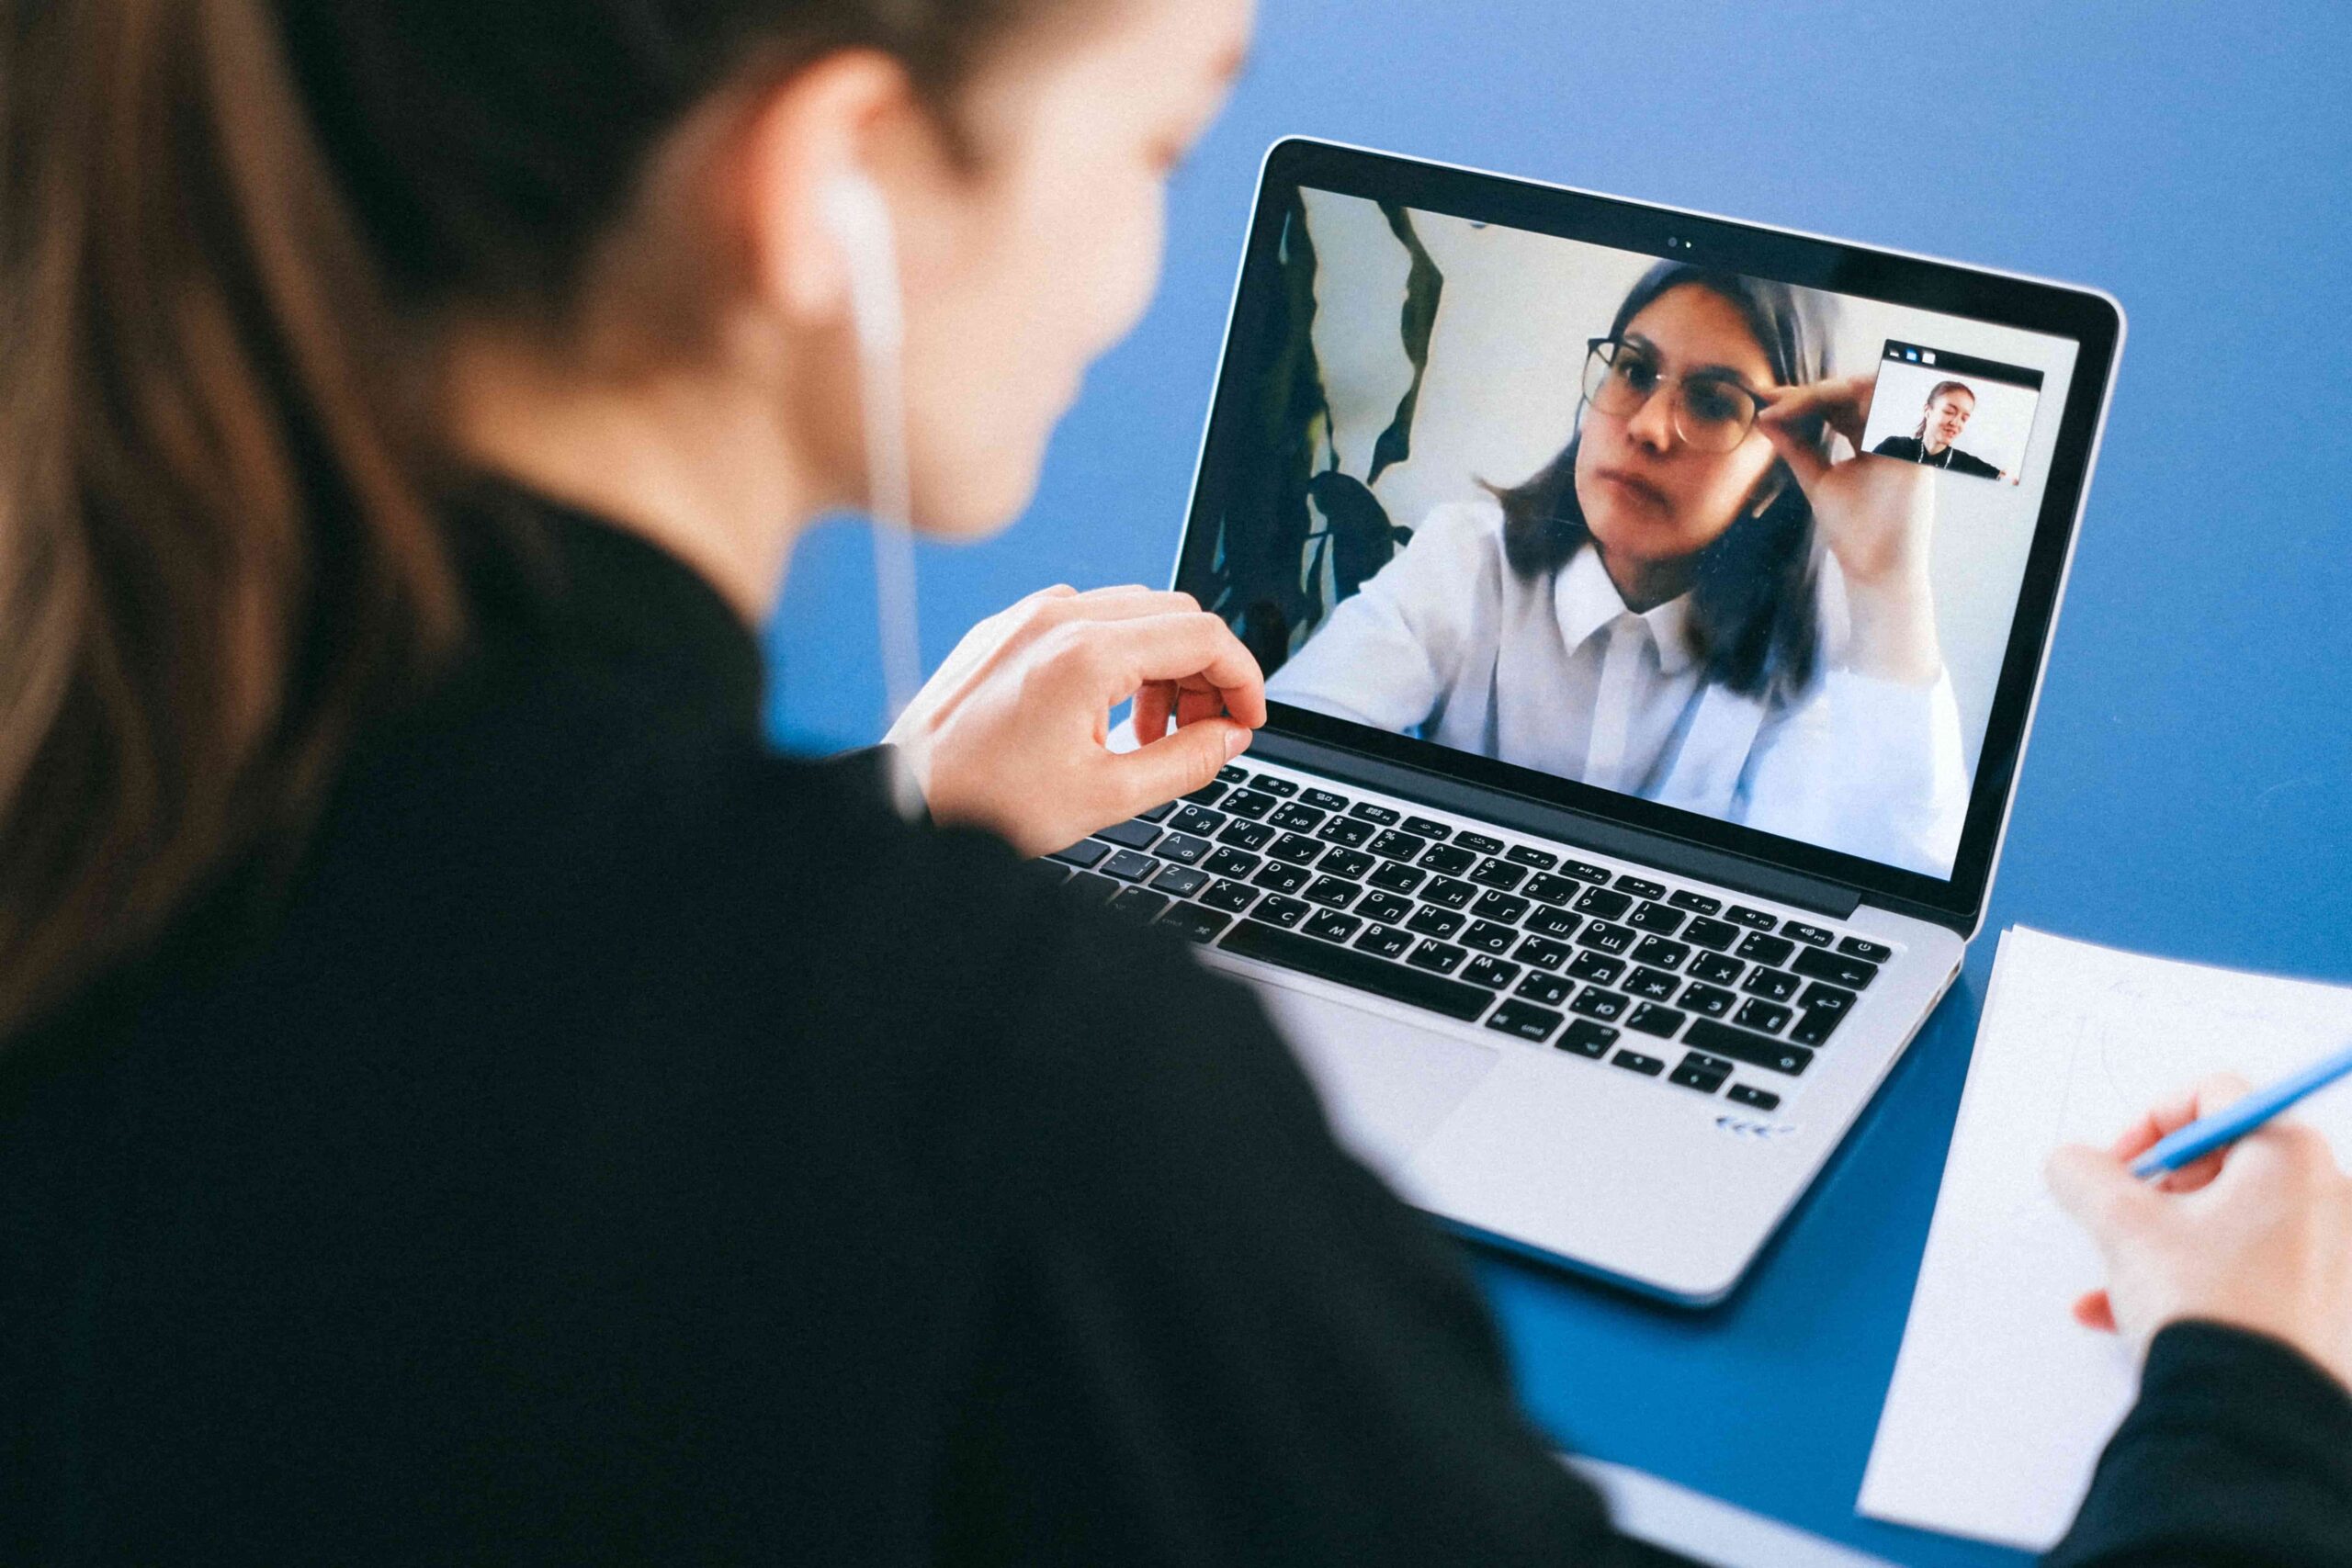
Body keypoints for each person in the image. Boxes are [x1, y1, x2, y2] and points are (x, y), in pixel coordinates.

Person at [0, 2, 2345, 1563]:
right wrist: (2254, 1387)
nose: (1144, 252)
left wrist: (874, 836)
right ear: (832, 190)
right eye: (1151, 142)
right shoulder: (1040, 1101)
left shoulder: (111, 751)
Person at [1266, 265, 1973, 877]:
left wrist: (1888, 581)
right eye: (1634, 370)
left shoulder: (1805, 658)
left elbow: (1889, 887)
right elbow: (1286, 753)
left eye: (1714, 401)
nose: (1649, 426)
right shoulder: (1467, 556)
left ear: (1769, 484)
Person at [1872, 378, 2011, 479]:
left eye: (1964, 418)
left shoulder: (1970, 466)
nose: (1955, 423)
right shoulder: (1893, 448)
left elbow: (2006, 481)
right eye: (1949, 412)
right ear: (1928, 411)